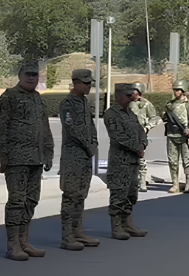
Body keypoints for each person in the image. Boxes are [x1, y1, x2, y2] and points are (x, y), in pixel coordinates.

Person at [0, 65, 54, 261]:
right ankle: (13, 245)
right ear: (19, 76)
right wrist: (4, 154)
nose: (31, 78)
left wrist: (48, 152)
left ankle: (24, 241)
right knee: (17, 201)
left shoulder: (38, 99)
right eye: (28, 75)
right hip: (17, 159)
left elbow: (44, 127)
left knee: (31, 200)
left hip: (36, 159)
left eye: (34, 75)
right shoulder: (9, 97)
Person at [58, 68, 100, 250]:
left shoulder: (84, 102)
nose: (89, 86)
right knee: (71, 195)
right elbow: (72, 129)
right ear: (76, 83)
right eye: (86, 83)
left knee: (81, 195)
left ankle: (78, 230)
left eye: (90, 83)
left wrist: (94, 143)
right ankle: (67, 236)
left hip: (84, 156)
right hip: (73, 155)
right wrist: (88, 145)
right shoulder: (68, 103)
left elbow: (91, 127)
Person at [104, 84, 149, 239]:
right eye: (127, 95)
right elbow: (117, 136)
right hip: (120, 161)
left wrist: (143, 144)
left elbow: (141, 131)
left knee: (131, 193)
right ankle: (117, 226)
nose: (131, 98)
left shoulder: (131, 113)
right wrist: (137, 147)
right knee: (119, 193)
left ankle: (128, 223)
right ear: (118, 97)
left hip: (133, 160)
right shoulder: (111, 114)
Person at [163, 80, 189, 193]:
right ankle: (175, 184)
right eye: (175, 90)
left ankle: (188, 183)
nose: (176, 92)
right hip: (172, 135)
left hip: (185, 136)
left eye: (178, 90)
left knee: (187, 161)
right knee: (173, 161)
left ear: (183, 91)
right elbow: (164, 117)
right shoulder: (170, 104)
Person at [130, 83, 161, 192]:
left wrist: (147, 128)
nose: (133, 94)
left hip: (140, 134)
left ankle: (142, 182)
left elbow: (155, 119)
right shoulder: (126, 103)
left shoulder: (146, 105)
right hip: (127, 134)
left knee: (140, 157)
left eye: (135, 91)